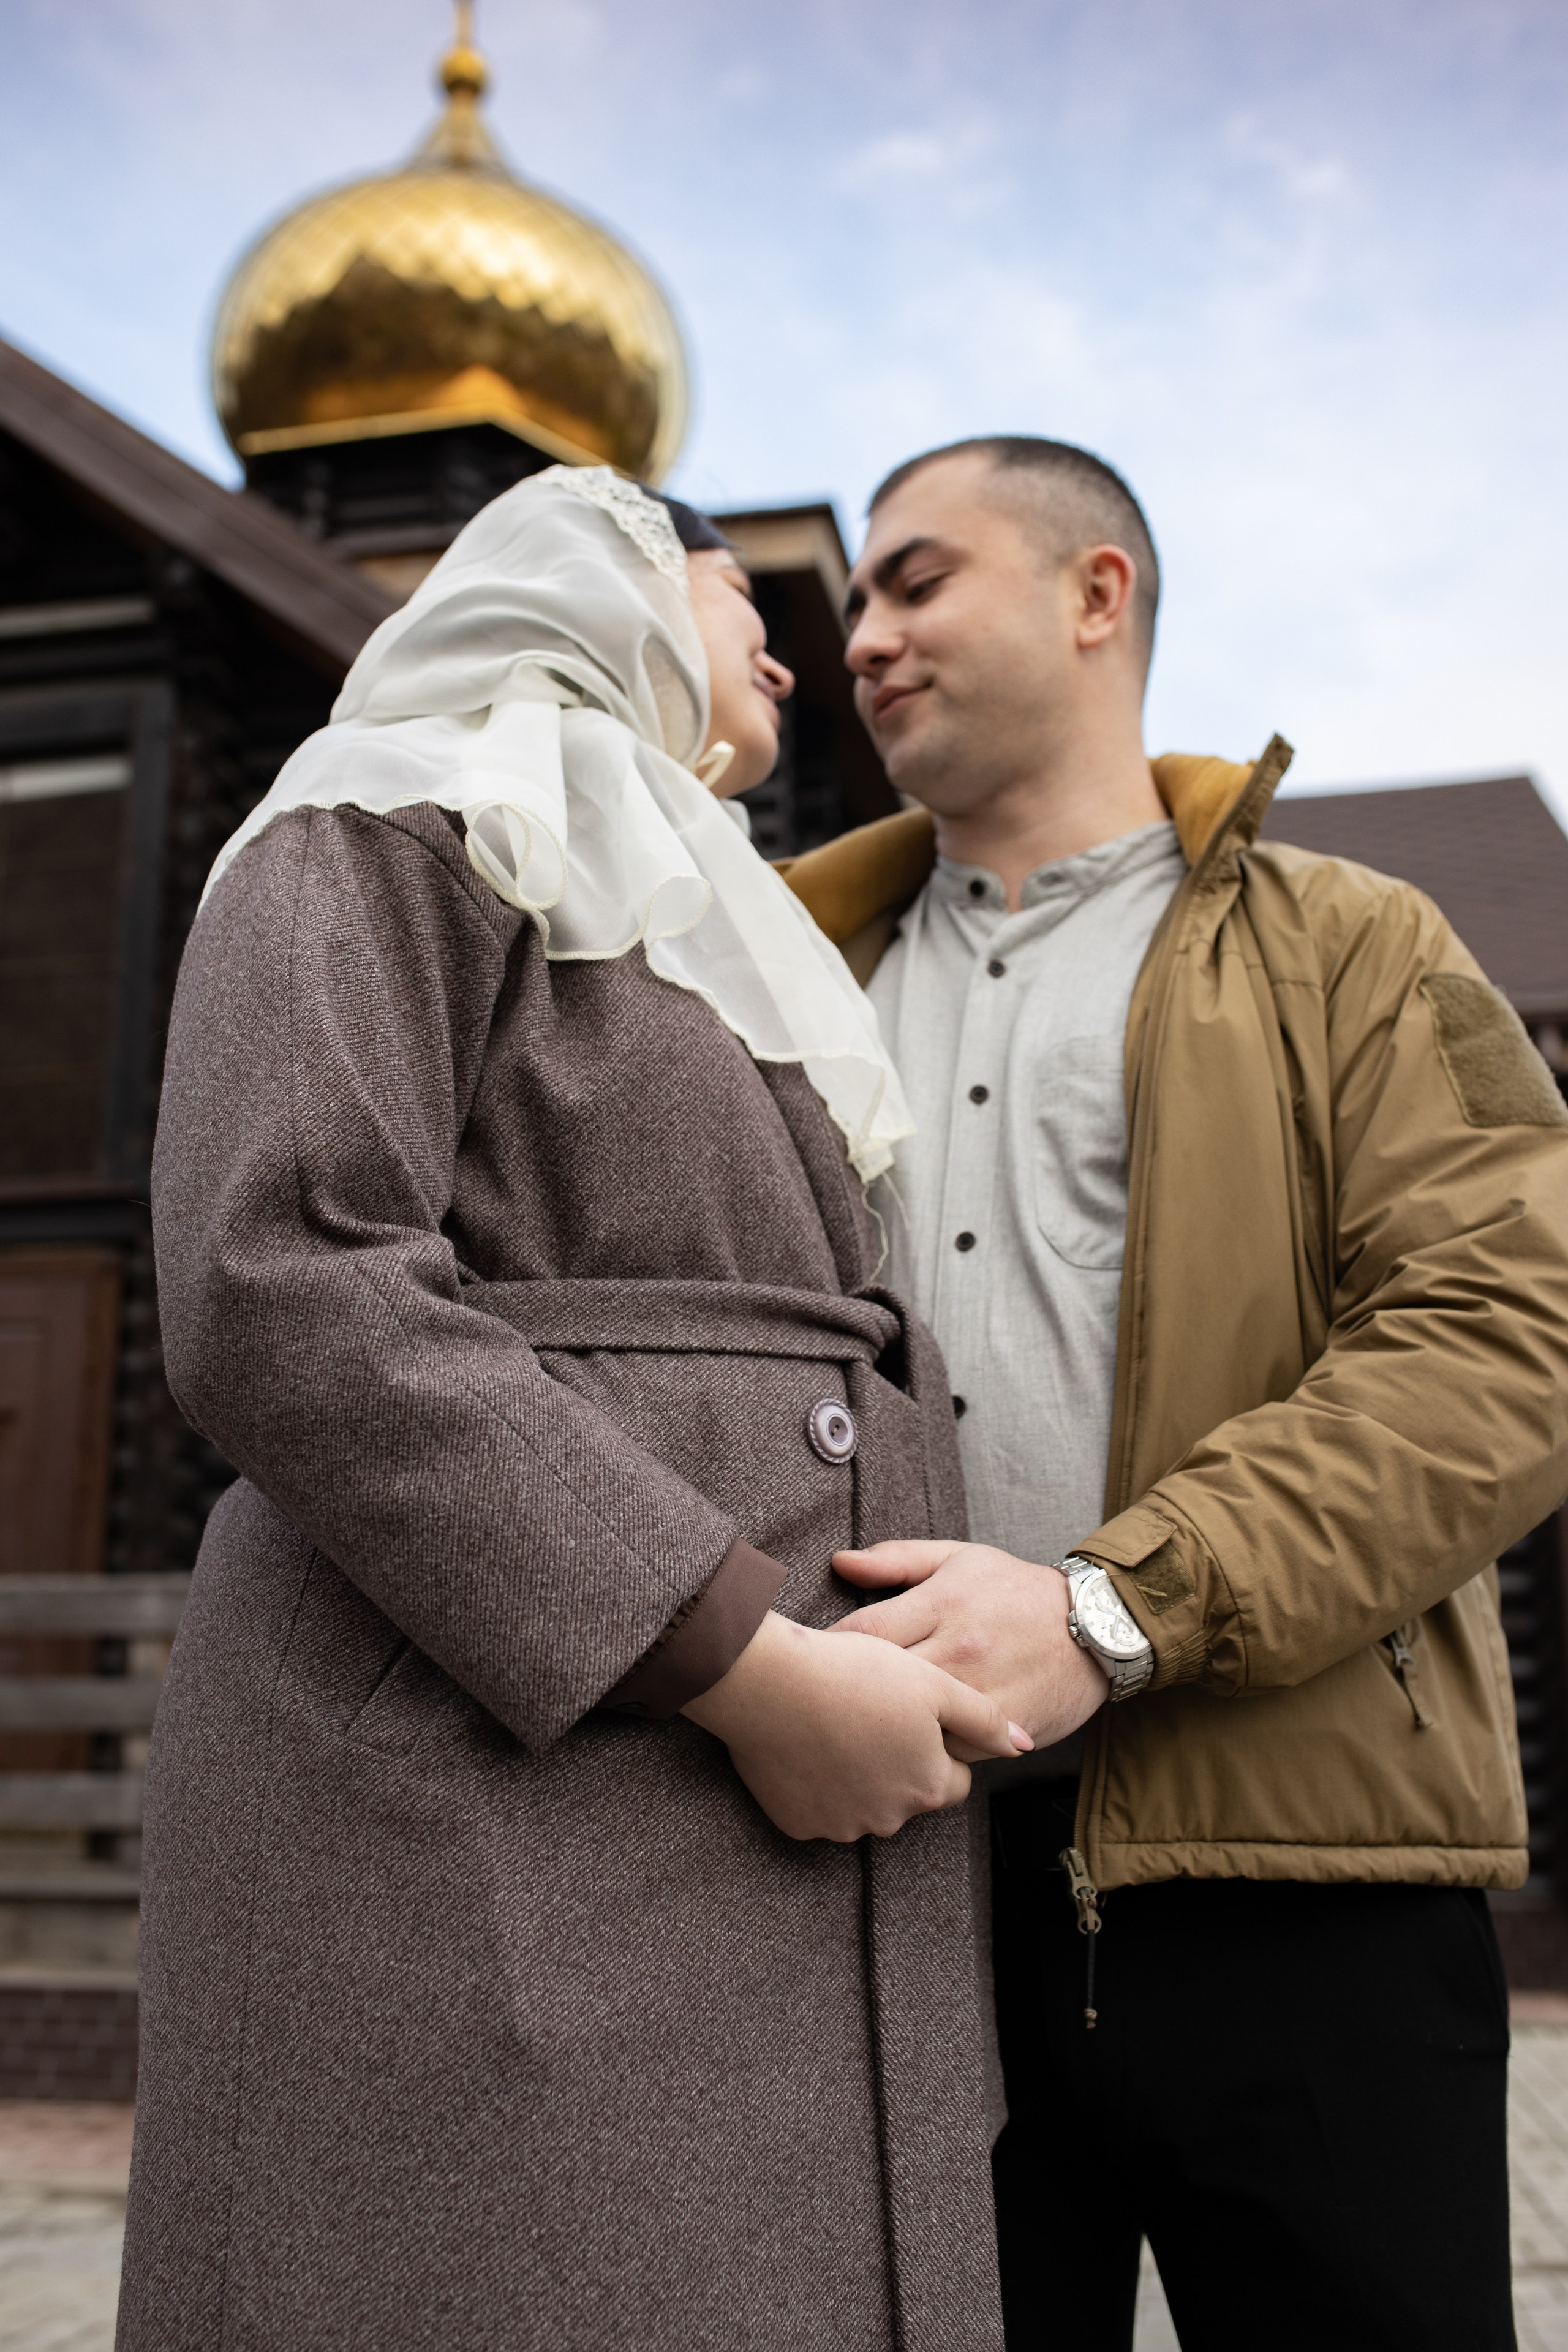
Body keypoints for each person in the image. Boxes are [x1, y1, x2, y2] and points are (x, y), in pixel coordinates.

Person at [116, 466, 1025, 2352]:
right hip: (496, 1795)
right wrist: (747, 1667)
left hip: (740, 1825)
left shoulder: (725, 921)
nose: (793, 640)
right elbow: (283, 1273)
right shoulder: (395, 796)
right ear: (590, 569)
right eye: (727, 583)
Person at [772, 435, 1568, 2352]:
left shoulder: (1356, 948)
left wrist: (1110, 1610)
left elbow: (1514, 1325)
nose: (863, 637)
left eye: (914, 579)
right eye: (861, 598)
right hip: (876, 1907)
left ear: (1096, 593)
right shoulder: (772, 994)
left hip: (1304, 1900)